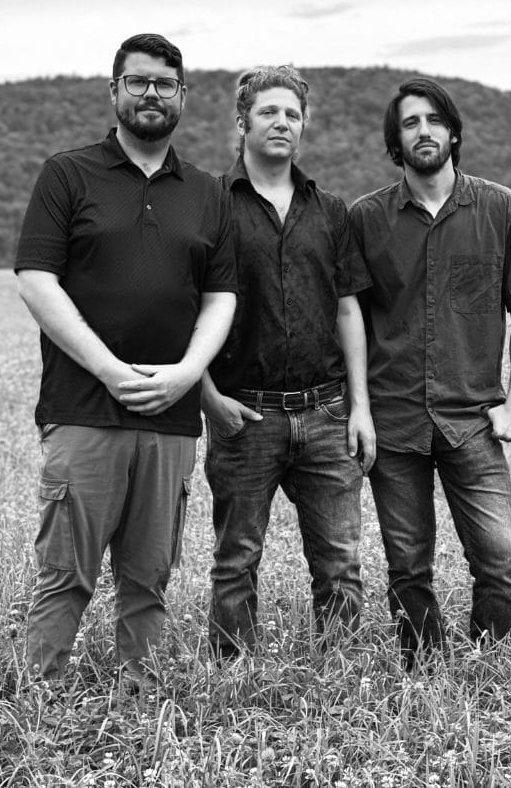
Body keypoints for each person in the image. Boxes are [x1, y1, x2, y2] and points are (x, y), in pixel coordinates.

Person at [14, 33, 237, 689]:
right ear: (114, 92)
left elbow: (222, 296)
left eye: (164, 84)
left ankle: (140, 710)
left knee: (148, 579)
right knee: (65, 575)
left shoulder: (207, 192)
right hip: (84, 411)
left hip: (171, 417)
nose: (150, 94)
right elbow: (36, 280)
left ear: (183, 98)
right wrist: (109, 369)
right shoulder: (67, 173)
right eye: (137, 82)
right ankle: (39, 706)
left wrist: (187, 372)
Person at [349, 77, 511, 667]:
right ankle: (424, 664)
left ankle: (489, 660)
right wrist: (358, 408)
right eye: (410, 123)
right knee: (408, 562)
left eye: (434, 120)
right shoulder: (367, 218)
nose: (424, 131)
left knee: (500, 553)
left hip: (473, 416)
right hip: (394, 418)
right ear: (397, 140)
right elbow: (353, 321)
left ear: (453, 131)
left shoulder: (499, 207)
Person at [201, 64, 375, 659]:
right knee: (235, 562)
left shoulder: (330, 210)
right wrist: (208, 398)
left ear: (304, 127)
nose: (282, 123)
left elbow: (348, 310)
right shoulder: (210, 206)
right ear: (243, 120)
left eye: (293, 114)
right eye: (269, 112)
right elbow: (184, 310)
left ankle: (341, 682)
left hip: (327, 413)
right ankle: (232, 679)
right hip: (242, 415)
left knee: (340, 564)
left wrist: (361, 409)